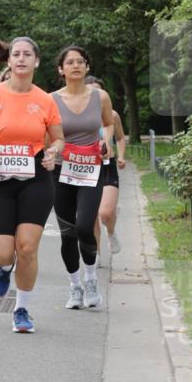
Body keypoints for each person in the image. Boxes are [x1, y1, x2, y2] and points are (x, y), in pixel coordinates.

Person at [0, 28, 63, 333]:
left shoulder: (45, 100)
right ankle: (4, 267)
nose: (21, 59)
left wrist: (52, 152)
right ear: (9, 61)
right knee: (1, 252)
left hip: (35, 177)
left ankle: (21, 308)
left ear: (36, 61)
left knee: (27, 248)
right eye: (16, 54)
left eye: (27, 54)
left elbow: (58, 139)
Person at [52, 48, 114, 309]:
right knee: (67, 233)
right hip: (60, 169)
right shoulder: (50, 100)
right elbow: (45, 132)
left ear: (87, 67)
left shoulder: (100, 97)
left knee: (85, 226)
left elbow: (108, 123)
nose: (75, 65)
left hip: (91, 168)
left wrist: (106, 140)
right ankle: (74, 286)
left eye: (80, 61)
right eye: (70, 62)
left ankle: (91, 280)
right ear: (61, 69)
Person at [86, 76, 126, 256]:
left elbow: (120, 138)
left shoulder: (113, 115)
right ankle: (95, 258)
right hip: (85, 167)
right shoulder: (77, 116)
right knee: (90, 218)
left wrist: (122, 156)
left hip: (107, 166)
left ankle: (111, 232)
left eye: (98, 91)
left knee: (105, 213)